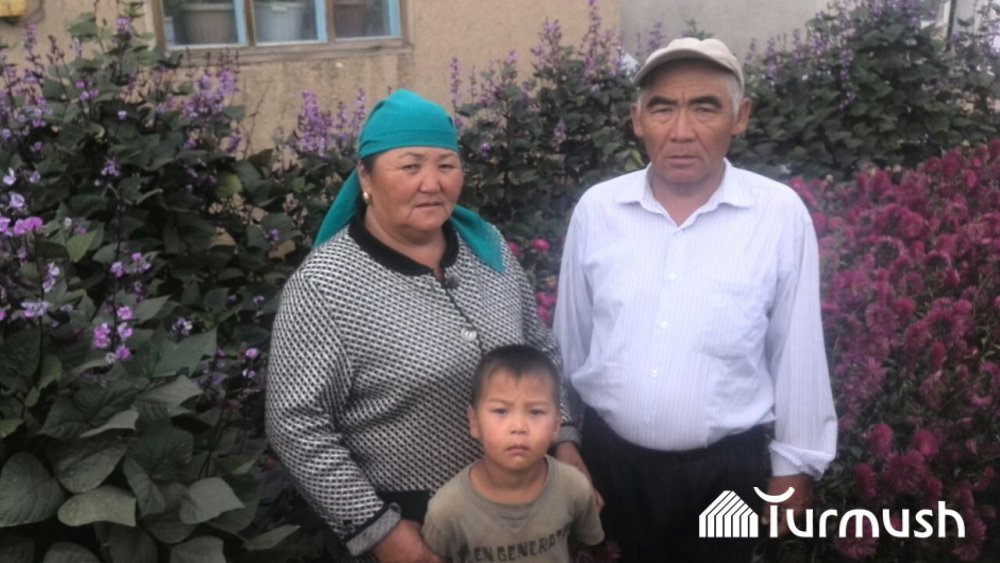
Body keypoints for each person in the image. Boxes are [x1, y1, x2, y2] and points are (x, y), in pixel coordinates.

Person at [265, 89, 591, 563]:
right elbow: (296, 425)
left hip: (528, 516)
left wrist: (564, 439)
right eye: (410, 166)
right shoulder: (327, 285)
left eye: (446, 165)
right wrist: (381, 532)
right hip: (418, 530)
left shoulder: (486, 248)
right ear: (365, 177)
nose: (432, 183)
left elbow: (539, 349)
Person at [553, 38, 838, 562]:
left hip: (728, 474)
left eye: (705, 107)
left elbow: (796, 349)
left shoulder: (778, 216)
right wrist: (563, 443)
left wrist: (795, 465)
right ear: (637, 120)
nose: (681, 131)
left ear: (740, 117)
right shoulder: (598, 211)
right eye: (662, 108)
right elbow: (570, 340)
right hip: (608, 466)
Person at [422, 345, 604, 562]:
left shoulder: (575, 487)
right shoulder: (446, 511)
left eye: (536, 412)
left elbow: (588, 547)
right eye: (501, 411)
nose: (519, 427)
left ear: (557, 425)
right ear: (474, 421)